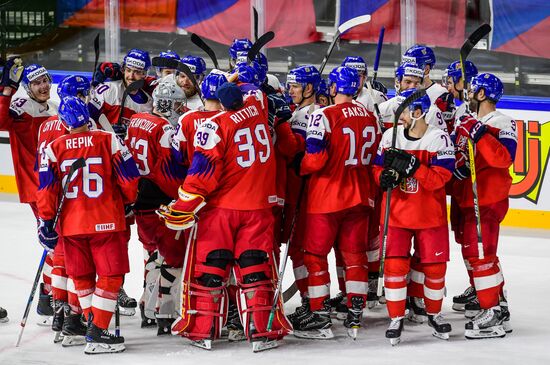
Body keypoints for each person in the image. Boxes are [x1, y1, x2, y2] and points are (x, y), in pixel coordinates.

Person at [157, 82, 290, 352]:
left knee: (210, 269)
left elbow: (201, 176)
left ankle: (202, 331)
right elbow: (255, 90)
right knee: (256, 269)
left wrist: (182, 205)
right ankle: (262, 331)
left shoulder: (213, 126)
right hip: (258, 209)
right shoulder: (257, 111)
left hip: (221, 210)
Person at [37, 96, 139, 354]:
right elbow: (129, 179)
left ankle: (82, 324)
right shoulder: (108, 139)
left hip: (71, 224)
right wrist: (127, 202)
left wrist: (47, 221)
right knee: (111, 275)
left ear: (63, 121)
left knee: (80, 275)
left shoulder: (54, 147)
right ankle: (98, 330)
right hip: (106, 220)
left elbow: (47, 190)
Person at [292, 66, 381, 339]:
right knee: (354, 255)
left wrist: (300, 165)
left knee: (315, 255)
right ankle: (355, 309)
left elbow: (316, 160)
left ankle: (319, 314)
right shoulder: (370, 116)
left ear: (332, 88)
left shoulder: (323, 115)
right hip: (361, 196)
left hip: (327, 197)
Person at [373, 88, 455, 345]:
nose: (398, 118)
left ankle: (434, 312)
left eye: (402, 113)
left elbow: (440, 180)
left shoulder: (439, 139)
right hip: (396, 216)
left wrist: (415, 168)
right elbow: (376, 169)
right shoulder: (390, 137)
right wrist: (381, 177)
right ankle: (396, 316)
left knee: (434, 268)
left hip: (430, 217)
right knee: (395, 267)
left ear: (417, 112)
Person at [451, 73, 516, 339]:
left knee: (482, 256)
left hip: (486, 199)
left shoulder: (502, 122)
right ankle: (491, 300)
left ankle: (494, 314)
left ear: (482, 94)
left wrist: (478, 133)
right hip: (467, 197)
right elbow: (465, 160)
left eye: (472, 91)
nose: (467, 94)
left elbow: (503, 159)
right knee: (473, 254)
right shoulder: (470, 120)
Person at [125, 81, 187, 335]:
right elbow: (165, 172)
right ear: (167, 104)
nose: (181, 109)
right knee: (173, 258)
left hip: (139, 199)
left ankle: (147, 307)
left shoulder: (137, 120)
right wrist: (182, 196)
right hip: (159, 201)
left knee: (152, 254)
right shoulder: (164, 129)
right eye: (178, 104)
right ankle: (165, 310)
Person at [0, 59, 57, 323]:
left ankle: (49, 295)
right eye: (36, 82)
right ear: (27, 87)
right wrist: (7, 89)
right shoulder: (21, 108)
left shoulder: (55, 109)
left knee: (60, 241)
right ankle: (49, 295)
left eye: (45, 80)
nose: (43, 86)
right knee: (56, 241)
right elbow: (1, 121)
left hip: (58, 186)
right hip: (38, 188)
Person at [37, 75, 92, 346]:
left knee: (60, 261)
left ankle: (58, 311)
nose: (87, 98)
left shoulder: (46, 124)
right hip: (73, 204)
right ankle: (71, 314)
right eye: (84, 94)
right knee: (74, 265)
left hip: (51, 200)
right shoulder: (73, 127)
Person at [282, 65, 321, 324]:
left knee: (304, 249)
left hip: (308, 193)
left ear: (309, 88)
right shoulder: (298, 111)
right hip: (293, 190)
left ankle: (312, 301)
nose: (290, 90)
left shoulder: (316, 115)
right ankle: (309, 298)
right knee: (297, 248)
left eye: (295, 85)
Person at [441, 60, 479, 312]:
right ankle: (477, 286)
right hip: (460, 187)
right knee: (465, 240)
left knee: (477, 243)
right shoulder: (459, 109)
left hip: (473, 188)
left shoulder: (473, 112)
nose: (447, 85)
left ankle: (488, 292)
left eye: (451, 80)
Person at [89, 48, 153, 138]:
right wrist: (105, 133)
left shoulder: (148, 103)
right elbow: (87, 119)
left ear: (145, 74)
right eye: (128, 70)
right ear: (123, 69)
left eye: (137, 72)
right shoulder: (108, 89)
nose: (131, 76)